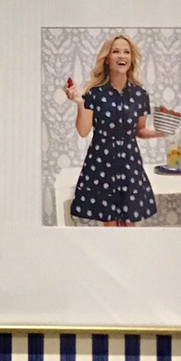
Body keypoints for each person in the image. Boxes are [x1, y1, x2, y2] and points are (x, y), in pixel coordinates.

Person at [65, 34, 161, 225]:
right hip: (101, 162)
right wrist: (79, 103)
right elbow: (83, 131)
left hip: (130, 163)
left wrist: (162, 132)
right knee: (109, 224)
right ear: (107, 59)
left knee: (129, 222)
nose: (122, 55)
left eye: (126, 52)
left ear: (131, 59)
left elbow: (140, 130)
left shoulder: (140, 94)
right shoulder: (93, 93)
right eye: (116, 51)